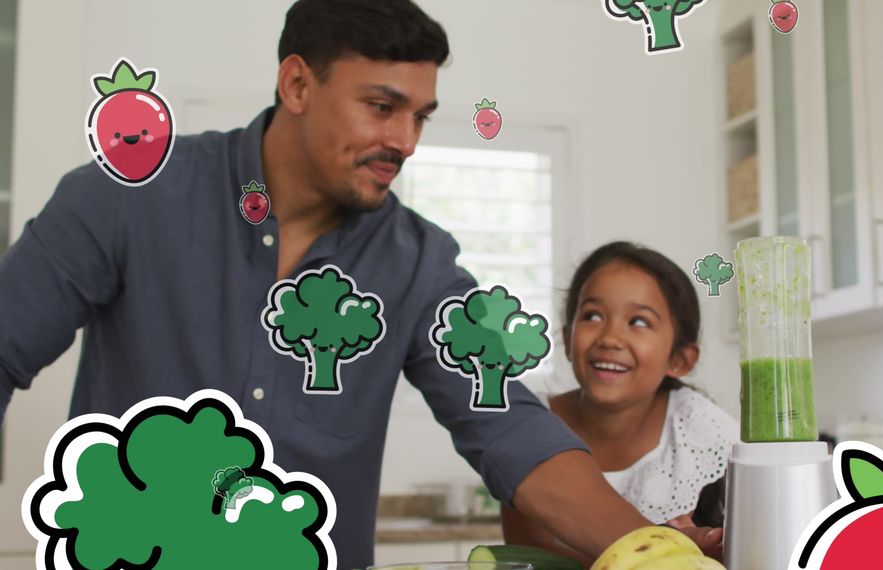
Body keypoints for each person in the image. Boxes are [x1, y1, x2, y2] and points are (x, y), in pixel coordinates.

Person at [0, 0, 723, 567]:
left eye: (419, 116)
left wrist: (655, 556)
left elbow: (511, 429)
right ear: (297, 83)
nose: (405, 141)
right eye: (381, 107)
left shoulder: (418, 264)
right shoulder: (128, 196)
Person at [501, 241, 740, 561]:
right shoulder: (528, 424)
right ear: (568, 338)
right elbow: (533, 555)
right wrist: (661, 547)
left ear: (679, 360)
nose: (610, 338)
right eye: (592, 315)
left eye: (638, 322)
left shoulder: (705, 435)